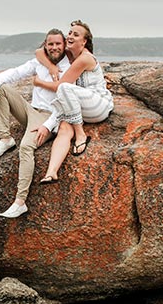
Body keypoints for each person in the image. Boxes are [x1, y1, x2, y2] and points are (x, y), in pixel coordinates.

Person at [0, 29, 68, 218]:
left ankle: (20, 202)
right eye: (50, 44)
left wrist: (49, 125)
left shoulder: (70, 65)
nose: (54, 47)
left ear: (64, 45)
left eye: (57, 44)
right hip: (31, 110)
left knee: (26, 147)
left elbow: (67, 102)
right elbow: (15, 73)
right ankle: (4, 139)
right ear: (45, 45)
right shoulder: (39, 62)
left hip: (49, 116)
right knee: (2, 88)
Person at [31, 20, 113, 182]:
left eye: (76, 34)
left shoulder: (84, 58)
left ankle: (81, 135)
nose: (70, 36)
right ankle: (51, 172)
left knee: (64, 89)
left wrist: (39, 82)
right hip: (80, 106)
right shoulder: (71, 53)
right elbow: (39, 52)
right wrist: (51, 67)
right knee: (63, 129)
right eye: (69, 33)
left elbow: (62, 86)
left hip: (98, 105)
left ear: (84, 42)